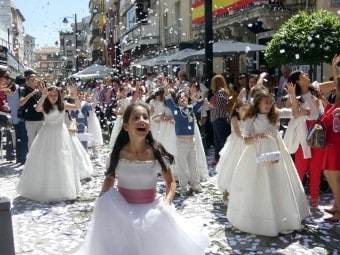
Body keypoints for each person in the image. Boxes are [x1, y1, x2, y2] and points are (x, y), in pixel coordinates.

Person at [77, 102, 210, 255]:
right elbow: (110, 179)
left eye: (145, 117)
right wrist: (101, 201)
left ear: (149, 125)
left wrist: (167, 201)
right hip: (122, 210)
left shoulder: (157, 152)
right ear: (126, 126)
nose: (142, 120)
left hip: (151, 210)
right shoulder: (117, 153)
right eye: (136, 117)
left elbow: (171, 183)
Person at [227, 89, 310, 237]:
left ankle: (282, 218)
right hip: (256, 155)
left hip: (276, 153)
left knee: (278, 183)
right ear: (258, 104)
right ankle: (260, 217)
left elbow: (295, 113)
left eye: (270, 102)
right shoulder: (250, 118)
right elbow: (246, 140)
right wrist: (257, 137)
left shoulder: (275, 114)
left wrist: (292, 95)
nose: (269, 105)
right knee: (258, 186)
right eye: (266, 102)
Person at [17, 86, 82, 202]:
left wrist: (75, 95)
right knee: (46, 158)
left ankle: (63, 187)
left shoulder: (63, 105)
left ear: (59, 96)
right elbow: (37, 108)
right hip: (47, 132)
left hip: (61, 133)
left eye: (55, 95)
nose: (53, 97)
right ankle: (45, 187)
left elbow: (77, 106)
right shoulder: (44, 106)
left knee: (62, 158)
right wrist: (43, 96)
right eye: (51, 95)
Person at [164, 83, 205, 195]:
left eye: (185, 97)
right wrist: (166, 88)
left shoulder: (191, 109)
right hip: (181, 141)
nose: (183, 98)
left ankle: (195, 185)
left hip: (191, 140)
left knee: (193, 164)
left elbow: (201, 102)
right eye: (181, 97)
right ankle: (183, 187)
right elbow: (168, 100)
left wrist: (193, 96)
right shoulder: (176, 109)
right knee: (182, 165)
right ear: (177, 101)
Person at [319, 54, 340, 222]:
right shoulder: (337, 102)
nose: (335, 86)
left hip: (336, 143)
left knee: (332, 175)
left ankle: (339, 209)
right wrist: (334, 66)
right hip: (332, 142)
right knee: (330, 173)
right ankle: (337, 205)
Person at [216, 101, 248, 202]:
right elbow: (238, 133)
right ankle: (226, 191)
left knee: (244, 166)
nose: (245, 110)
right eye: (242, 108)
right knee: (231, 166)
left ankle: (242, 191)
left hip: (246, 142)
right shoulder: (234, 119)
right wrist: (246, 139)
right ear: (237, 110)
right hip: (236, 143)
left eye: (245, 108)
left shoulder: (248, 118)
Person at [208, 74, 231, 164]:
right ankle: (218, 158)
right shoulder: (222, 92)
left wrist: (210, 105)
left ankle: (223, 158)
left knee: (221, 140)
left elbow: (220, 105)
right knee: (217, 140)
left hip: (219, 118)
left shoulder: (220, 93)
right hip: (218, 118)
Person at [19, 70, 44, 149]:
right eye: (31, 77)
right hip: (30, 121)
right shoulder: (24, 90)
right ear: (28, 80)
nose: (33, 78)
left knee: (41, 142)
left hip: (41, 120)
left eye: (35, 77)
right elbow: (20, 103)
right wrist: (31, 94)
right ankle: (32, 160)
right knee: (32, 142)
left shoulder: (41, 90)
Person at [6, 75, 29, 164]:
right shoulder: (21, 89)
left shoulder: (8, 89)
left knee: (18, 137)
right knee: (23, 138)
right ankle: (22, 158)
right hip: (20, 117)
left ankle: (19, 158)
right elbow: (21, 104)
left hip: (12, 117)